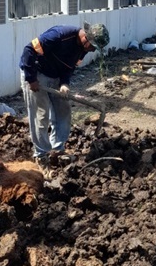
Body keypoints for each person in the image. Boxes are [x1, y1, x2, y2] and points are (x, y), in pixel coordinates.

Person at [19, 23, 110, 165]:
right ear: (86, 38)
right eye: (92, 47)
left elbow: (70, 67)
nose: (92, 50)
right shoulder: (60, 35)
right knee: (40, 114)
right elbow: (29, 50)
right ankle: (41, 154)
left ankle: (58, 149)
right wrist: (31, 79)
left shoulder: (83, 49)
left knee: (63, 110)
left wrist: (64, 83)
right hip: (37, 73)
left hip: (55, 76)